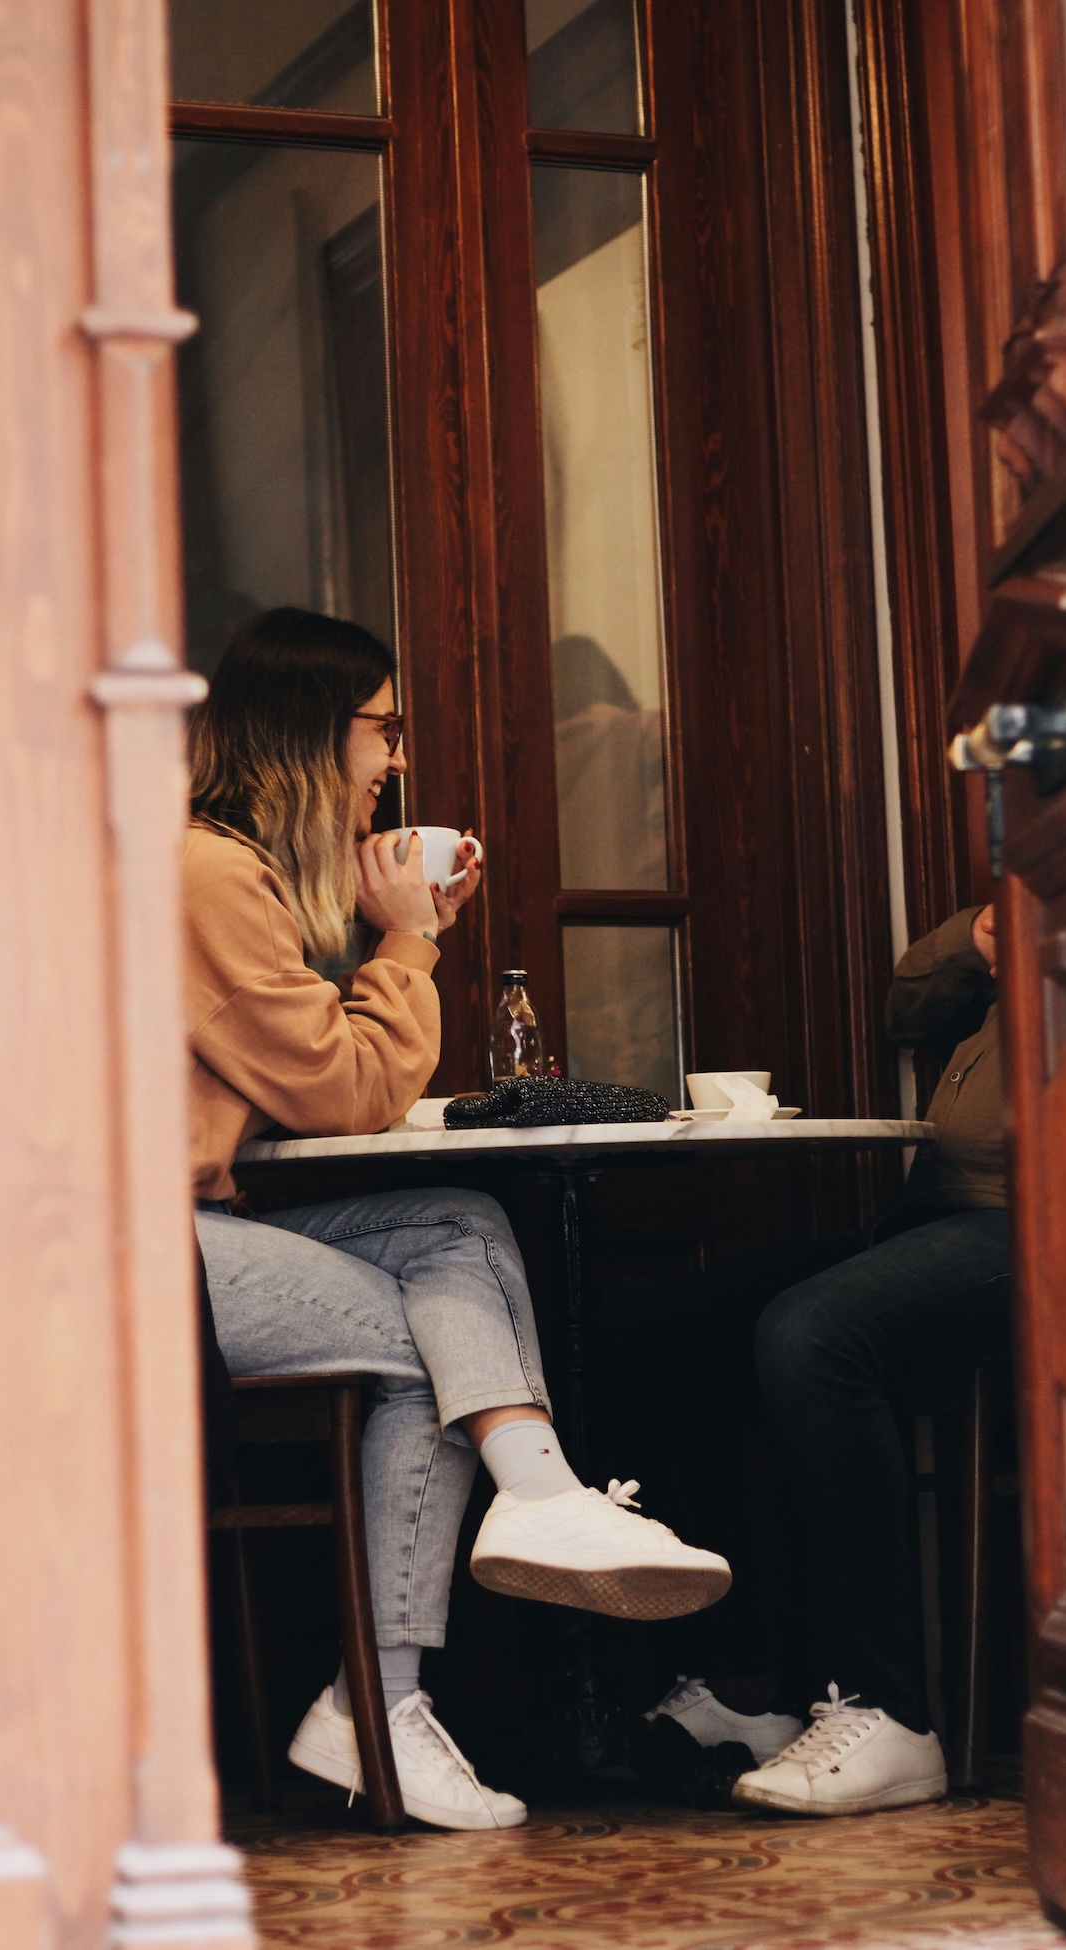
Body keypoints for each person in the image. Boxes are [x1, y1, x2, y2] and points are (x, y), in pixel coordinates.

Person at [185, 607, 730, 1831]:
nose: (393, 762)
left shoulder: (236, 873)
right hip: (129, 1253)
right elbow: (348, 1088)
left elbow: (328, 1088)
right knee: (432, 1348)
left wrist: (389, 942)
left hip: (200, 1226)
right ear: (309, 732)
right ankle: (379, 1700)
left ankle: (534, 1492)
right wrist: (410, 941)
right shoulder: (206, 874)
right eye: (381, 731)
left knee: (456, 1218)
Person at [641, 902, 1008, 1816]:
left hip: (1049, 1218)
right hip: (930, 1218)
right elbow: (909, 1003)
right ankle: (753, 1690)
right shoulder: (1046, 887)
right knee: (671, 1332)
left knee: (812, 1333)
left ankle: (887, 1711)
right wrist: (982, 935)